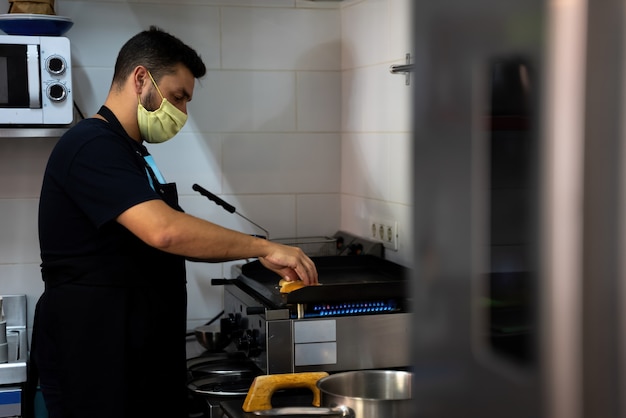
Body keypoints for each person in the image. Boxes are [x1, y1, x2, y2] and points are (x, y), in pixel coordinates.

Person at [31, 26, 318, 418]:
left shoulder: (131, 153)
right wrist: (264, 247)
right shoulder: (91, 146)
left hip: (133, 359)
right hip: (96, 362)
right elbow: (164, 231)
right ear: (140, 78)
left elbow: (175, 233)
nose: (182, 113)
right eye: (178, 97)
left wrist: (258, 257)